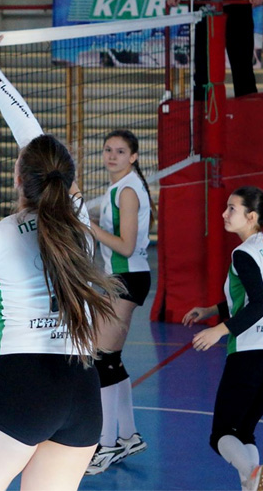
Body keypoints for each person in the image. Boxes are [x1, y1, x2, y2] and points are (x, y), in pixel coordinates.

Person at [0, 32, 122, 491]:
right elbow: (35, 141)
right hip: (81, 388)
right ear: (66, 178)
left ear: (18, 178)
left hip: (22, 386)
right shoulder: (79, 218)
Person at [182, 186, 263, 491]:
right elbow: (252, 298)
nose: (224, 214)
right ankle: (251, 484)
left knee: (221, 435)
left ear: (252, 216)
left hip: (252, 354)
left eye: (232, 208)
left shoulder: (243, 253)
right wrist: (211, 310)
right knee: (244, 431)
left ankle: (253, 473)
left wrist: (218, 330)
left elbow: (260, 304)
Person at [84, 129, 154, 475]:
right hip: (124, 277)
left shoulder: (127, 191)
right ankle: (128, 436)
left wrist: (89, 226)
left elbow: (125, 246)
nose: (112, 156)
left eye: (120, 151)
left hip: (127, 277)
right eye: (108, 149)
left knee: (101, 359)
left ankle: (106, 444)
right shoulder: (122, 187)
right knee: (109, 359)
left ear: (133, 157)